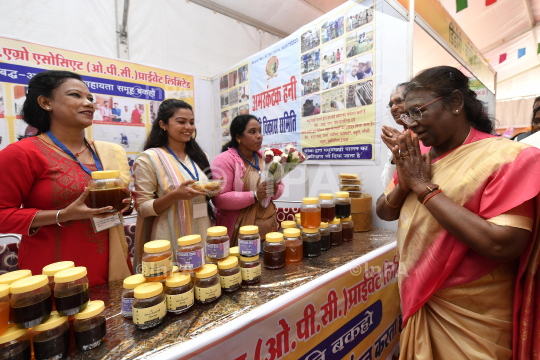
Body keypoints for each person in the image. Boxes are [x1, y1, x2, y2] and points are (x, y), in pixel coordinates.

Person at [376, 66, 540, 360]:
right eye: (405, 116)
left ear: (454, 102)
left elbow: (503, 244)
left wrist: (424, 188)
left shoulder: (506, 157)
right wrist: (406, 181)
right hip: (419, 300)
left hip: (474, 319)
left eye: (417, 112)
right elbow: (384, 210)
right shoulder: (418, 159)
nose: (410, 125)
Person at [0, 70, 133, 286]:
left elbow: (126, 204)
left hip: (112, 265)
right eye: (76, 95)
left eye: (90, 98)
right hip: (54, 273)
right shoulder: (23, 153)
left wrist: (128, 202)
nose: (89, 103)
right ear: (45, 102)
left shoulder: (107, 151)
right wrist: (62, 215)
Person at [133, 99, 212, 269]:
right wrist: (175, 196)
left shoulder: (200, 156)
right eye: (181, 122)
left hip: (202, 231)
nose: (189, 127)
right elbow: (142, 207)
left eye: (191, 122)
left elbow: (208, 192)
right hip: (168, 235)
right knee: (176, 287)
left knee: (205, 281)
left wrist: (213, 190)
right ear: (163, 124)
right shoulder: (149, 158)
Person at [211, 115, 284, 245]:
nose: (259, 136)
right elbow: (219, 199)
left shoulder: (265, 158)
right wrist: (255, 195)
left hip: (269, 228)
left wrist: (274, 190)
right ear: (238, 137)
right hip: (239, 232)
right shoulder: (224, 160)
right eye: (252, 132)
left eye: (260, 131)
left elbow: (281, 187)